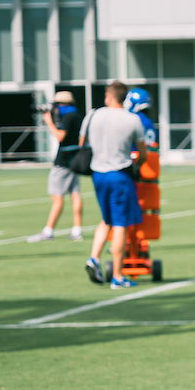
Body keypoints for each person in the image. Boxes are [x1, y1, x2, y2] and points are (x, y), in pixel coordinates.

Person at [82, 81, 147, 289]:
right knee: (120, 224)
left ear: (109, 96)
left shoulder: (94, 114)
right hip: (119, 173)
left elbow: (83, 141)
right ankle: (118, 277)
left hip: (97, 173)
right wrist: (138, 164)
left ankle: (93, 257)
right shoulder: (132, 119)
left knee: (106, 218)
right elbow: (143, 152)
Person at [27, 91, 85, 243]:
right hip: (74, 159)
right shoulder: (77, 116)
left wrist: (49, 122)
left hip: (64, 161)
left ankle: (48, 231)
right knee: (75, 194)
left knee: (57, 197)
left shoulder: (68, 117)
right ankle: (77, 230)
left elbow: (60, 136)